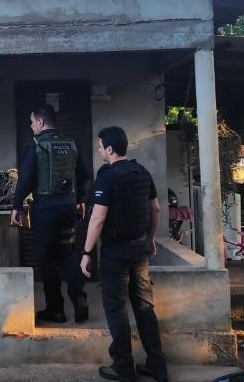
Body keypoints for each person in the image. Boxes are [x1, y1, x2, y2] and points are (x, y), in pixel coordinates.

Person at [81, 126, 168, 382]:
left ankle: (123, 368)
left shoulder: (107, 176)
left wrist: (86, 252)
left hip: (116, 252)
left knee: (116, 308)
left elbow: (98, 219)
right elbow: (156, 209)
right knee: (144, 307)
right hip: (139, 249)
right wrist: (149, 238)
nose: (99, 151)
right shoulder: (142, 172)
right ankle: (158, 367)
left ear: (109, 149)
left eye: (100, 147)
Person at [11, 103, 90, 324]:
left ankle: (56, 310)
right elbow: (85, 175)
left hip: (45, 210)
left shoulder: (35, 144)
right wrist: (81, 200)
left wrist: (17, 206)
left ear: (40, 122)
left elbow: (26, 178)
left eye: (31, 122)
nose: (30, 126)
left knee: (47, 259)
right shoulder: (72, 143)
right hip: (68, 208)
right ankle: (79, 300)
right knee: (67, 254)